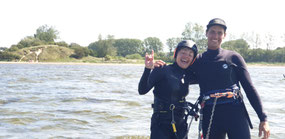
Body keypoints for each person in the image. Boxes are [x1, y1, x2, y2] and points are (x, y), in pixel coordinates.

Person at [155, 18, 270, 139]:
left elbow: (249, 88)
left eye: (220, 33)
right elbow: (176, 74)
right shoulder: (197, 60)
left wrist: (263, 118)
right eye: (212, 32)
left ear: (224, 35)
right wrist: (158, 67)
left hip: (235, 114)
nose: (215, 36)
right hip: (210, 115)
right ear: (206, 33)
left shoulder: (233, 57)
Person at [138, 40, 198, 139]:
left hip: (180, 123)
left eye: (190, 55)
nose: (186, 56)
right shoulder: (162, 69)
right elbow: (142, 90)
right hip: (161, 124)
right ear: (176, 53)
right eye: (183, 53)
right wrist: (147, 69)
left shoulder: (188, 75)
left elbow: (208, 79)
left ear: (193, 59)